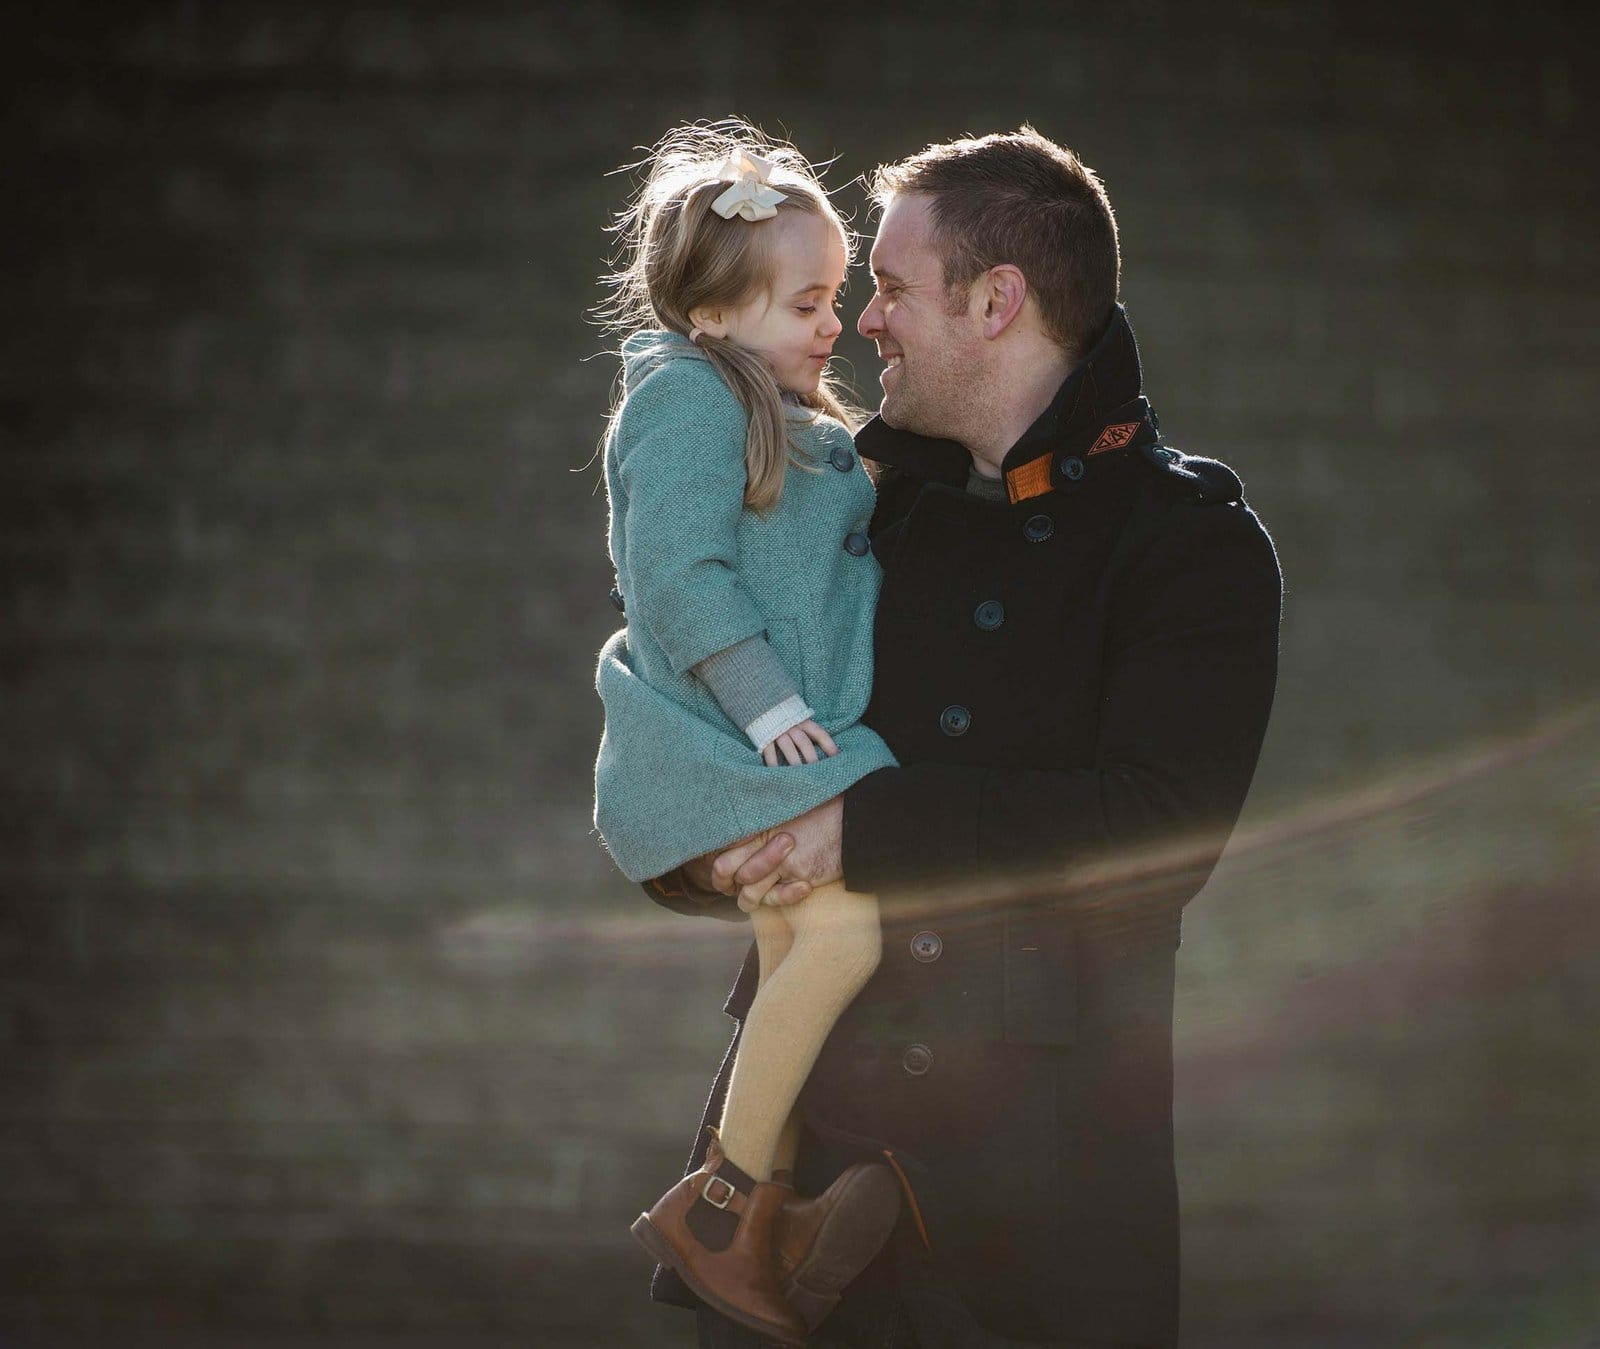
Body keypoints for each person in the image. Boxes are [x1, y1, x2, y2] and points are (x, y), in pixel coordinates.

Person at [646, 127, 1283, 1348]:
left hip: (1043, 1206)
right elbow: (692, 703)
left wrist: (861, 827)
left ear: (995, 302)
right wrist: (709, 846)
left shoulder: (1189, 545)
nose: (862, 321)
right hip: (797, 1195)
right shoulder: (848, 509)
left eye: (891, 286)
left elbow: (1157, 834)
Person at [591, 120, 909, 1346]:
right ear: (714, 313)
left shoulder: (777, 406)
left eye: (836, 296)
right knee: (842, 931)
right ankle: (723, 1201)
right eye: (808, 303)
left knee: (792, 948)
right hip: (726, 737)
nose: (835, 324)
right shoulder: (683, 397)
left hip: (763, 739)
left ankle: (752, 1210)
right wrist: (770, 705)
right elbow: (678, 572)